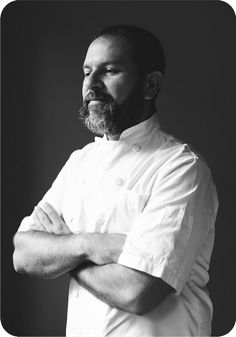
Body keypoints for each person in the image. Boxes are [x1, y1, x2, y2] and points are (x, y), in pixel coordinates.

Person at [13, 25, 219, 336]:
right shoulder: (79, 161)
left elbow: (137, 291)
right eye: (86, 72)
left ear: (150, 84)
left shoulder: (182, 167)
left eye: (109, 70)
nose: (91, 85)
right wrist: (89, 244)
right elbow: (23, 253)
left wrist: (64, 250)